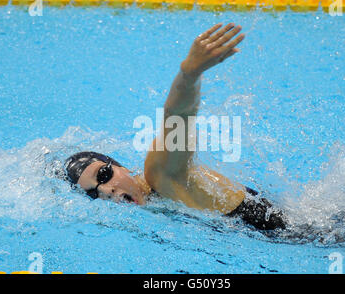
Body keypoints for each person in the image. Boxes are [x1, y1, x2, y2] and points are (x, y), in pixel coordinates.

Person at [65, 23, 286, 231]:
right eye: (93, 194)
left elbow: (178, 116)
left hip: (301, 237)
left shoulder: (160, 174)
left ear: (122, 168)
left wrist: (189, 73)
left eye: (104, 175)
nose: (105, 190)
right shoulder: (155, 203)